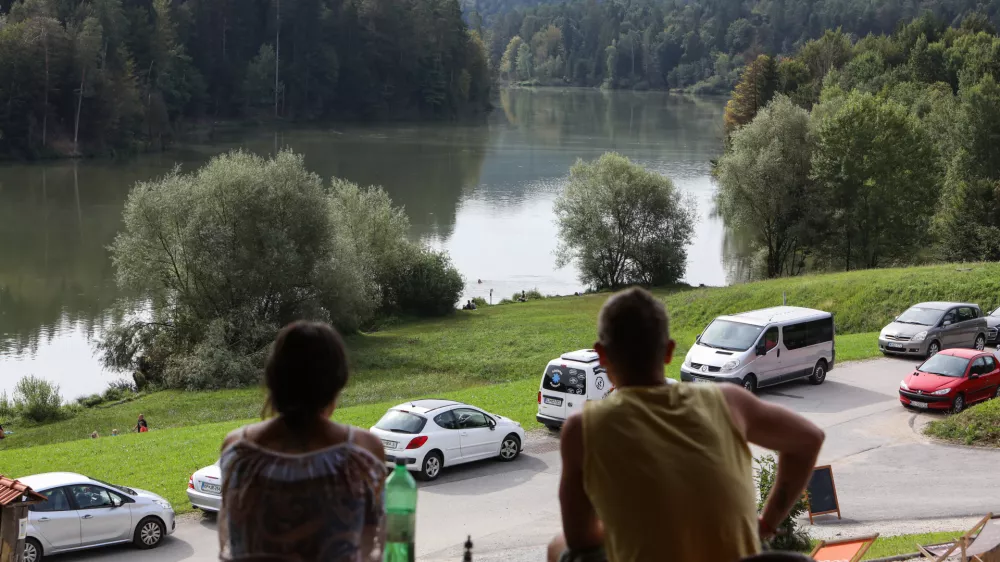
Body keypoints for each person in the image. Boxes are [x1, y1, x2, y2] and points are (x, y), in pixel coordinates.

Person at [550, 288, 824, 562]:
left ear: (601, 355)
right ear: (669, 351)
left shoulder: (583, 427)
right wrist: (767, 522)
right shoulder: (728, 401)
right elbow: (809, 439)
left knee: (558, 545)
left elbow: (580, 539)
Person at [218, 321, 386, 562]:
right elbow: (376, 547)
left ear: (274, 379)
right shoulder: (363, 452)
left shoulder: (236, 450)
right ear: (337, 381)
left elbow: (231, 544)